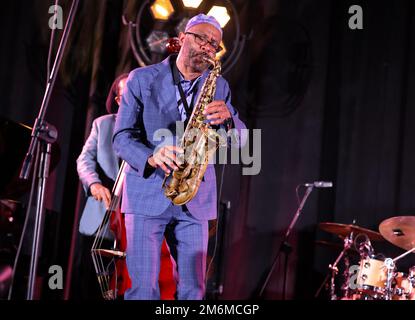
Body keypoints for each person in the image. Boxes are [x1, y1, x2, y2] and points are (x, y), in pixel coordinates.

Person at [113, 14, 247, 300]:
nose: (207, 47)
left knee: (193, 292)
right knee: (142, 291)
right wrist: (151, 156)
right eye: (201, 38)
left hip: (195, 198)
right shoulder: (141, 79)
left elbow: (243, 141)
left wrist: (230, 121)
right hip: (147, 194)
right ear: (183, 37)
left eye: (214, 44)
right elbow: (121, 138)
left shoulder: (219, 87)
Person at [76, 74, 176, 299]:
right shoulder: (103, 124)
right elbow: (84, 160)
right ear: (119, 99)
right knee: (90, 283)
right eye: (129, 95)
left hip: (139, 216)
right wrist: (94, 184)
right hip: (103, 216)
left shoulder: (153, 129)